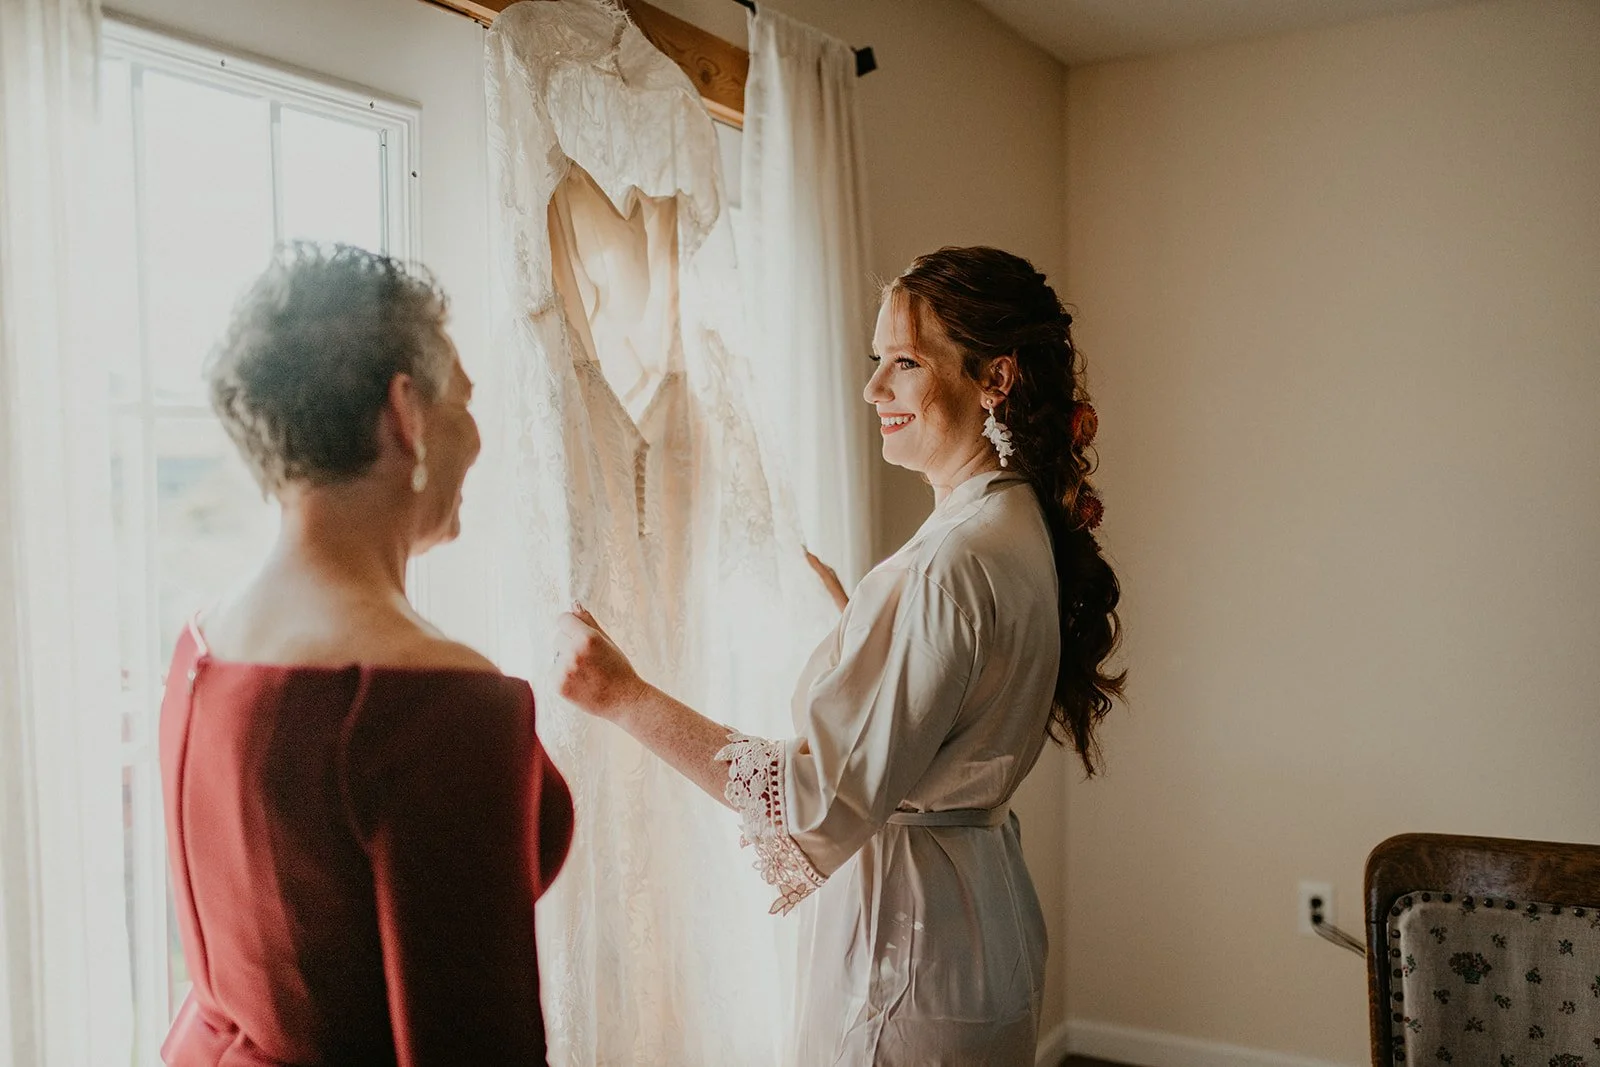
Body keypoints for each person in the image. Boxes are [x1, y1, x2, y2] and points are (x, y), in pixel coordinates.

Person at [553, 246, 1124, 1065]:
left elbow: (815, 803)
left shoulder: (946, 566)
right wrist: (872, 629)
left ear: (995, 379)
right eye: (874, 361)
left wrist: (625, 696)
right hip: (981, 922)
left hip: (911, 952)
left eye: (905, 363)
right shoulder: (1016, 520)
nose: (873, 389)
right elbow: (965, 690)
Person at [159, 244, 572, 1066]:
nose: (478, 436)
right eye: (464, 399)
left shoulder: (202, 642)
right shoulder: (438, 706)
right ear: (406, 413)